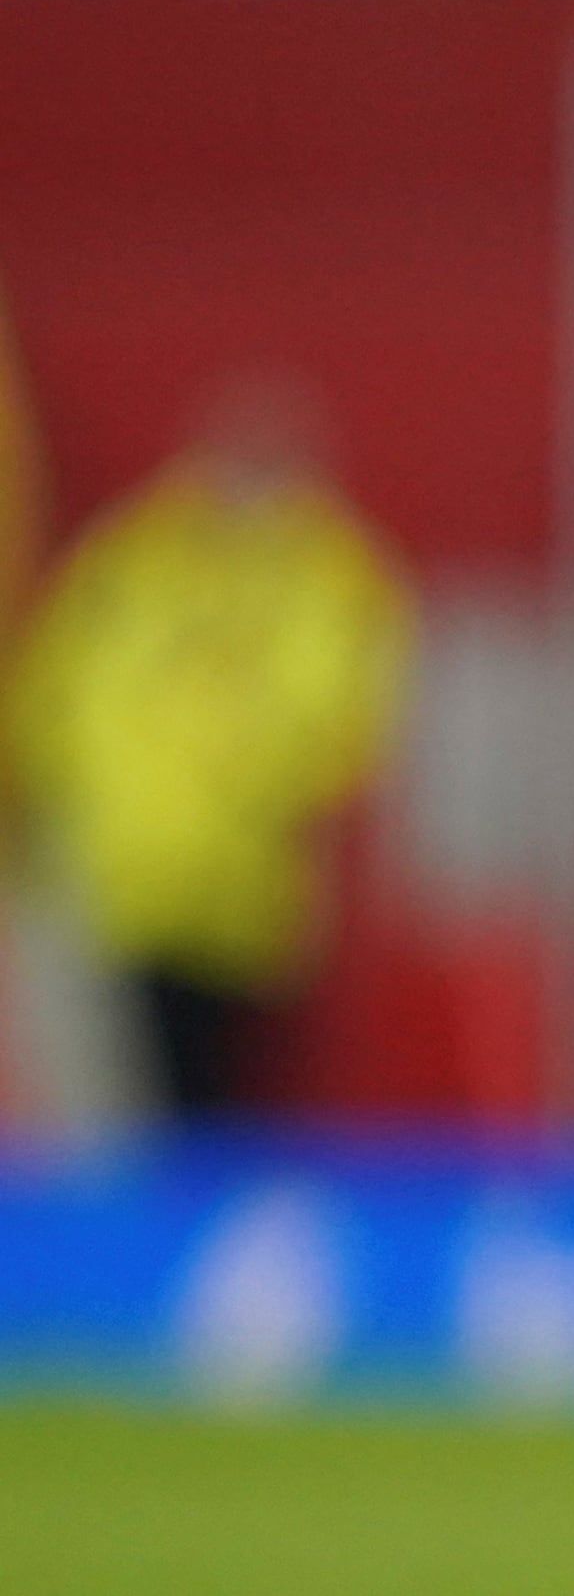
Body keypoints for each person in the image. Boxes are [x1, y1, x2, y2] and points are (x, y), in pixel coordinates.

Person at [0, 377, 414, 1119]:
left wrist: (236, 794)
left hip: (242, 898)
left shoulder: (321, 575)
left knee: (221, 1099)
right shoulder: (138, 560)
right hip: (120, 888)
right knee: (140, 1101)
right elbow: (58, 689)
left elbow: (333, 720)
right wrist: (50, 801)